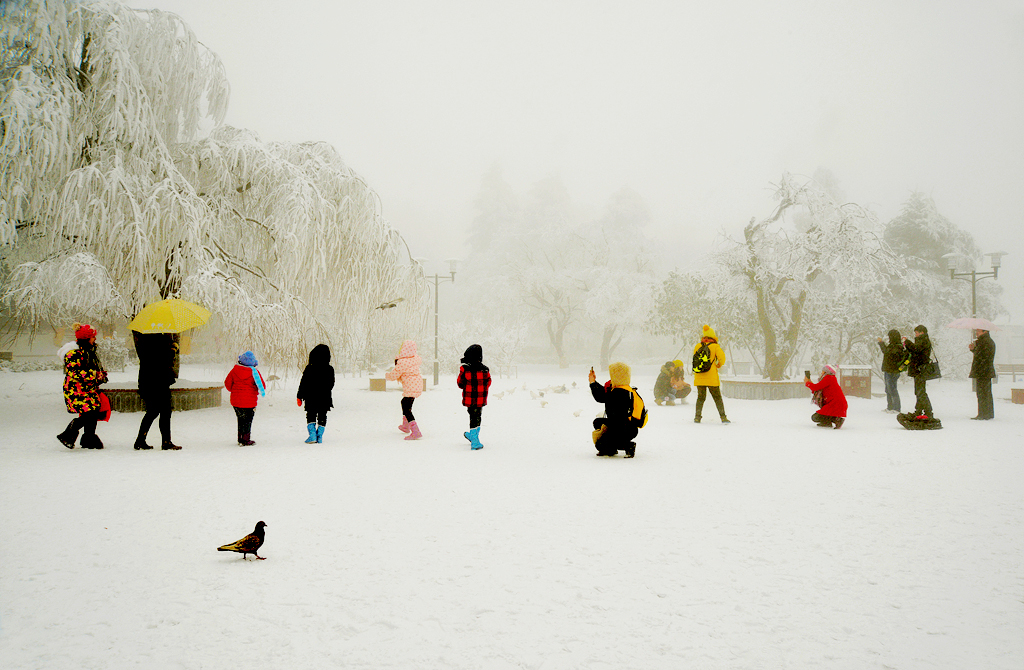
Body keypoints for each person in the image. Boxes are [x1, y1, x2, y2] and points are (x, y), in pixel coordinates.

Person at [57, 323, 110, 449]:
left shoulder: (88, 351)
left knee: (93, 411)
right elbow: (75, 373)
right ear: (86, 338)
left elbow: (90, 368)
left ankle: (88, 438)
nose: (95, 339)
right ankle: (68, 434)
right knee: (89, 413)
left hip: (87, 388)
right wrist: (95, 375)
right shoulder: (74, 353)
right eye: (93, 337)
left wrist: (100, 375)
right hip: (76, 389)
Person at [132, 332, 181, 450]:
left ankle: (142, 440)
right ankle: (165, 441)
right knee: (163, 411)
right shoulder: (160, 339)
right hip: (159, 381)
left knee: (154, 411)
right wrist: (173, 349)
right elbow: (164, 361)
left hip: (149, 380)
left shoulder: (144, 339)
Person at [589, 362, 639, 458]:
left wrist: (592, 383)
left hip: (623, 427)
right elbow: (605, 393)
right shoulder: (625, 388)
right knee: (597, 422)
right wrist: (594, 382)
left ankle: (627, 445)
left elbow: (601, 397)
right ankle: (612, 445)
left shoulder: (619, 392)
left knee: (600, 445)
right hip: (625, 425)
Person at [225, 350, 265, 446]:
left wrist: (234, 391)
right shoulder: (255, 373)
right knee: (248, 420)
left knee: (240, 419)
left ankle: (240, 438)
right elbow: (261, 386)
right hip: (250, 402)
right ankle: (246, 439)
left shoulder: (234, 370)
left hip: (236, 401)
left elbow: (227, 384)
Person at [297, 344, 335, 443]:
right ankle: (320, 436)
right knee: (323, 415)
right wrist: (324, 390)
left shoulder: (309, 368)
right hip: (325, 397)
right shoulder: (329, 369)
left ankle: (312, 435)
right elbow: (331, 384)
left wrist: (299, 396)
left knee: (311, 414)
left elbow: (303, 383)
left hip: (310, 397)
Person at [386, 340, 423, 440]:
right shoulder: (415, 359)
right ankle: (405, 426)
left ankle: (415, 431)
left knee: (406, 408)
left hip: (411, 386)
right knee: (405, 403)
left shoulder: (403, 362)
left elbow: (395, 374)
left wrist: (388, 376)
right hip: (416, 384)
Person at [456, 344, 491, 450]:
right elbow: (488, 383)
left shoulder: (465, 369)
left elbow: (460, 383)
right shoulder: (485, 370)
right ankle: (473, 435)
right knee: (477, 416)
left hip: (469, 399)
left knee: (472, 416)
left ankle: (474, 441)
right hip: (480, 399)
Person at [692, 324, 729, 424]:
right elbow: (722, 358)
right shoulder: (715, 346)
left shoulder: (697, 346)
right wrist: (719, 364)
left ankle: (697, 417)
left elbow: (695, 359)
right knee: (717, 398)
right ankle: (723, 417)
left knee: (700, 398)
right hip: (711, 377)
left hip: (699, 377)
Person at [902, 325, 933, 419]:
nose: (915, 335)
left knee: (921, 392)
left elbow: (916, 350)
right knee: (918, 391)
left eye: (916, 333)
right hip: (919, 369)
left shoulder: (923, 341)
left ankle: (928, 412)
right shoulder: (922, 341)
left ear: (921, 332)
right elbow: (914, 351)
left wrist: (907, 342)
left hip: (920, 369)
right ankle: (919, 411)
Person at [804, 364, 848, 429]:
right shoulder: (830, 378)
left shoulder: (829, 378)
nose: (821, 373)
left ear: (826, 372)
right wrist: (810, 383)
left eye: (822, 371)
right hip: (835, 404)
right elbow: (818, 389)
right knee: (817, 416)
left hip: (835, 404)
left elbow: (816, 387)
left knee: (815, 417)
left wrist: (807, 383)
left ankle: (837, 420)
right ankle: (827, 422)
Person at [968, 328, 996, 420]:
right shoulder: (987, 341)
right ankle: (987, 413)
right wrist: (974, 349)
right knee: (986, 392)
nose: (976, 333)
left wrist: (974, 349)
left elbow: (982, 356)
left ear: (985, 331)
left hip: (983, 371)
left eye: (978, 331)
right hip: (985, 371)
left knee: (982, 393)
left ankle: (983, 414)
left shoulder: (984, 342)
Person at [876, 329, 905, 414]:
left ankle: (896, 408)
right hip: (889, 370)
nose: (888, 338)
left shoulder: (897, 346)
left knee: (892, 389)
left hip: (892, 371)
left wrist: (881, 343)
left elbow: (887, 353)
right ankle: (890, 407)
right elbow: (886, 352)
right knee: (888, 389)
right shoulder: (893, 345)